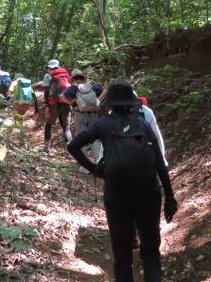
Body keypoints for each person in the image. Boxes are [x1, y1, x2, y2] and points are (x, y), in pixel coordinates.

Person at [67, 81, 177, 282]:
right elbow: (159, 163)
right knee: (151, 251)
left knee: (122, 253)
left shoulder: (104, 124)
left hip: (116, 194)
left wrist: (95, 169)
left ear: (110, 104)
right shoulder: (143, 123)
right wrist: (169, 197)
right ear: (131, 102)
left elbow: (73, 146)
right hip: (148, 192)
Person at [61, 69, 104, 166]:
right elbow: (105, 91)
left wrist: (72, 104)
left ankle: (85, 165)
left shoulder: (73, 87)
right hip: (93, 114)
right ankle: (98, 161)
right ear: (83, 78)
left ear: (73, 79)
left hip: (80, 114)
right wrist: (97, 100)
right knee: (94, 137)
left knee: (81, 138)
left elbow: (61, 96)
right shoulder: (90, 86)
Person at [36, 59, 73, 153]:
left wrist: (46, 106)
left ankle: (46, 148)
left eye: (48, 68)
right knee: (66, 127)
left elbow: (46, 91)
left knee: (48, 124)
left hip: (53, 103)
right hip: (66, 102)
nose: (48, 70)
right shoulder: (66, 75)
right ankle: (69, 151)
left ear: (50, 68)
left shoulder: (47, 76)